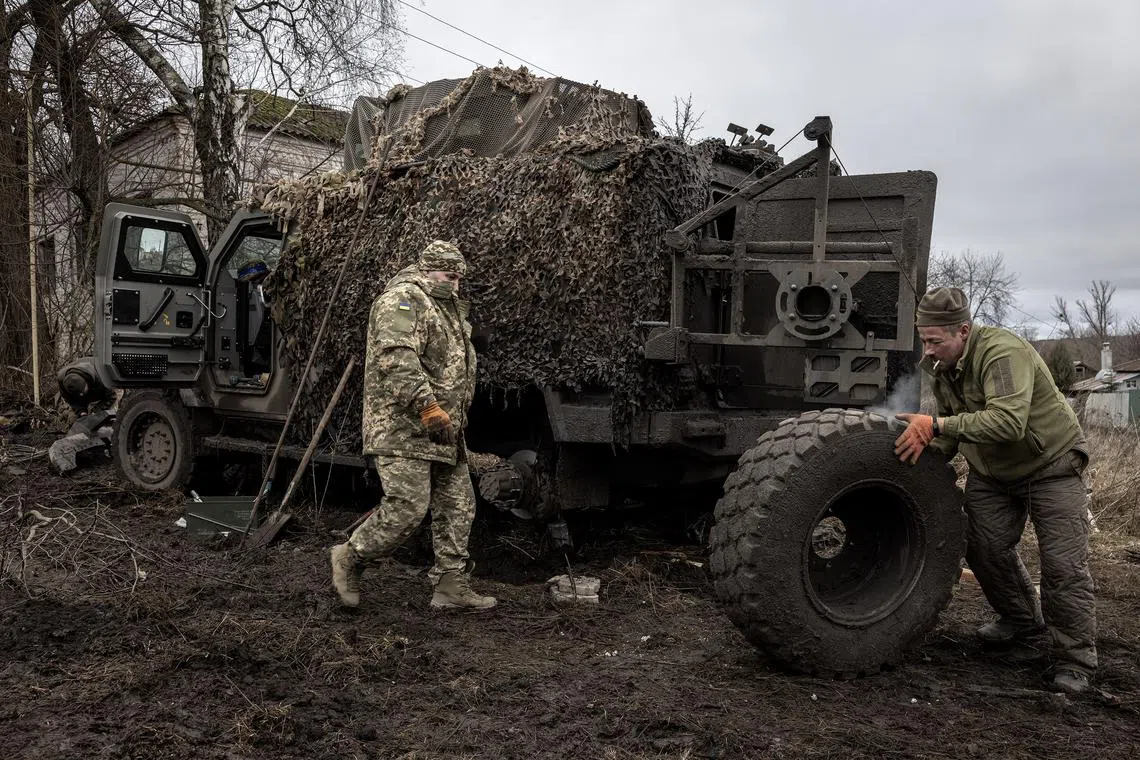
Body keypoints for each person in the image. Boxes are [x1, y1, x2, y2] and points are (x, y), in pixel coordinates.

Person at [894, 287, 1096, 695]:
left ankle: (1074, 662)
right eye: (924, 340)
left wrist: (937, 425)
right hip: (994, 471)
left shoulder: (1003, 352)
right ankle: (1022, 621)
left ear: (963, 331)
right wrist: (916, 452)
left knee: (1061, 566)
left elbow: (1007, 423)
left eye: (935, 341)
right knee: (982, 546)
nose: (928, 351)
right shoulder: (942, 364)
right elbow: (952, 428)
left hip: (1051, 465)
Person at [330, 240, 496, 611]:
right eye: (449, 276)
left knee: (459, 505)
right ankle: (350, 557)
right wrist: (428, 407)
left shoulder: (447, 308)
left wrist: (448, 417)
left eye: (458, 279)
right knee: (407, 507)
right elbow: (397, 358)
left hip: (444, 430)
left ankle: (451, 587)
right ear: (427, 270)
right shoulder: (402, 301)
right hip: (404, 427)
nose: (455, 284)